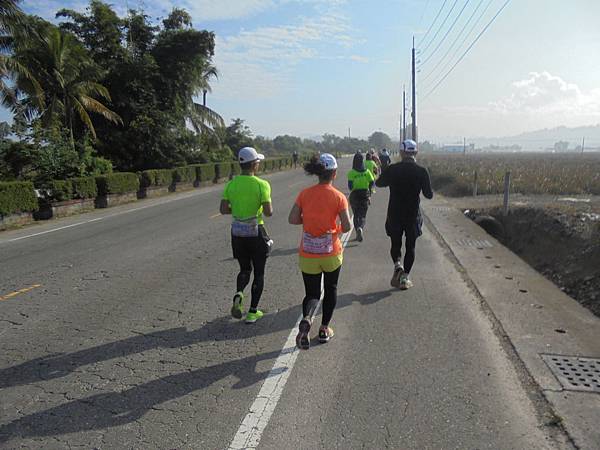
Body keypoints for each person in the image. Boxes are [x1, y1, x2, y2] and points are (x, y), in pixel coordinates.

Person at [288, 153, 352, 349]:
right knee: (331, 289)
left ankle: (307, 318)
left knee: (312, 293)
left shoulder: (304, 194)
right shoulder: (339, 197)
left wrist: (308, 221)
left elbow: (292, 219)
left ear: (317, 173)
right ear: (334, 173)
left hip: (308, 253)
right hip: (330, 252)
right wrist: (335, 228)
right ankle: (324, 329)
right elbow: (347, 226)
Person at [220, 147, 273, 323]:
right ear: (254, 165)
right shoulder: (261, 184)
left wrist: (237, 209)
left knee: (244, 269)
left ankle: (239, 293)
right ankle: (252, 312)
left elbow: (223, 209)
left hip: (237, 232)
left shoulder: (231, 184)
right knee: (259, 273)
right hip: (255, 231)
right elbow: (269, 212)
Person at [375, 139, 433, 290]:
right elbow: (429, 195)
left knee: (395, 243)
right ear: (416, 152)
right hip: (413, 215)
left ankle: (397, 266)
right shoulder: (421, 171)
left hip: (394, 213)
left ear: (401, 152)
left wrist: (384, 171)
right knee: (410, 246)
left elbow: (379, 183)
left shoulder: (393, 169)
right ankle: (405, 277)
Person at [347, 151, 375, 242]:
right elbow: (372, 182)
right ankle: (361, 227)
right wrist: (369, 190)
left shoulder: (351, 173)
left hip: (355, 195)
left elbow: (350, 186)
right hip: (364, 194)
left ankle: (357, 231)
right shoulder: (367, 171)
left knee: (356, 215)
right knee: (363, 215)